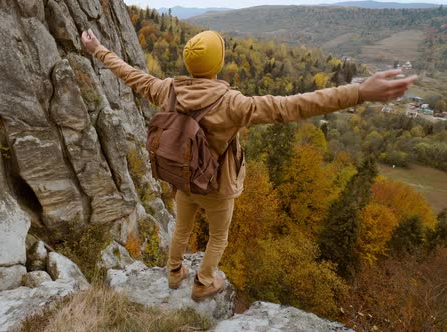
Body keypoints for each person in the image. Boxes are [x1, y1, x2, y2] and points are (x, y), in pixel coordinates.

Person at [81, 29, 417, 301]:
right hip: (216, 186)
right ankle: (203, 283)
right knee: (218, 237)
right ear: (218, 63)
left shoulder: (166, 90)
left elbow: (128, 73)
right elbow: (294, 106)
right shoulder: (232, 104)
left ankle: (173, 273)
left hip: (182, 179)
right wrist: (358, 93)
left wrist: (97, 48)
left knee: (181, 228)